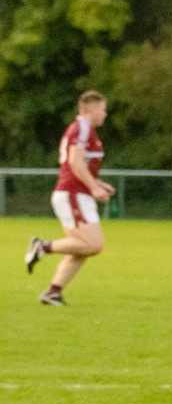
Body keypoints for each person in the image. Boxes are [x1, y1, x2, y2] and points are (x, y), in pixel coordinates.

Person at [24, 91, 115, 306]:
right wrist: (93, 187)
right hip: (73, 194)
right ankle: (42, 247)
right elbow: (74, 161)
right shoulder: (82, 127)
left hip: (75, 193)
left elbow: (76, 164)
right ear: (91, 109)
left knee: (82, 247)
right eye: (102, 109)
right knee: (92, 244)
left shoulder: (86, 130)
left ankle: (53, 292)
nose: (105, 113)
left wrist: (98, 184)